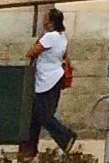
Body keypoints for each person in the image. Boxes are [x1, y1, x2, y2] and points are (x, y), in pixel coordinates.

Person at [24, 8, 75, 154]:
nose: (43, 20)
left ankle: (66, 136)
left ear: (51, 21)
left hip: (46, 79)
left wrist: (37, 43)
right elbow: (65, 56)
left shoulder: (49, 37)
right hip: (55, 77)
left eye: (46, 18)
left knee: (43, 114)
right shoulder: (61, 37)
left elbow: (32, 52)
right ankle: (29, 147)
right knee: (34, 115)